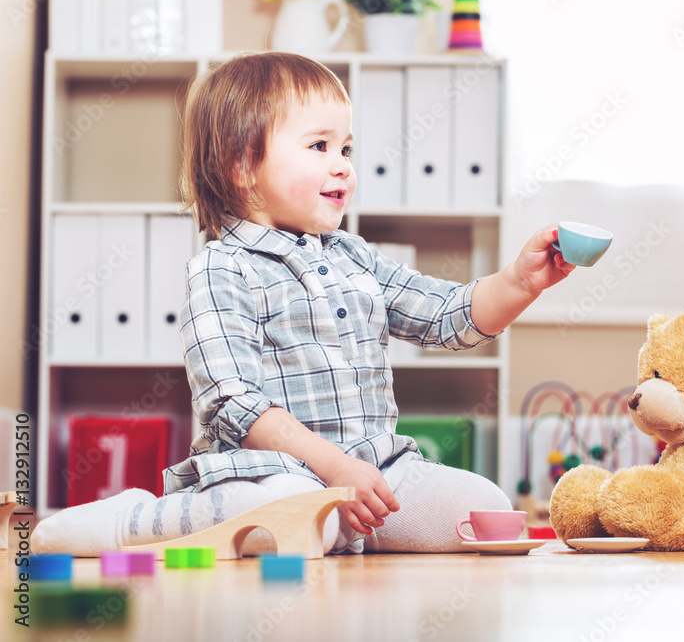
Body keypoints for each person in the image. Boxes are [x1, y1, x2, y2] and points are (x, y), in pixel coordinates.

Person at [33, 52, 576, 556]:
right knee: (289, 508)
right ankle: (135, 521)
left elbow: (446, 317)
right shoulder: (222, 268)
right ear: (242, 166)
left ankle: (338, 530)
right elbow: (232, 402)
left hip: (374, 468)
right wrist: (332, 468)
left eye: (346, 149)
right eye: (319, 147)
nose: (341, 165)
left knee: (483, 509)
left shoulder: (356, 258)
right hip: (276, 473)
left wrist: (519, 283)